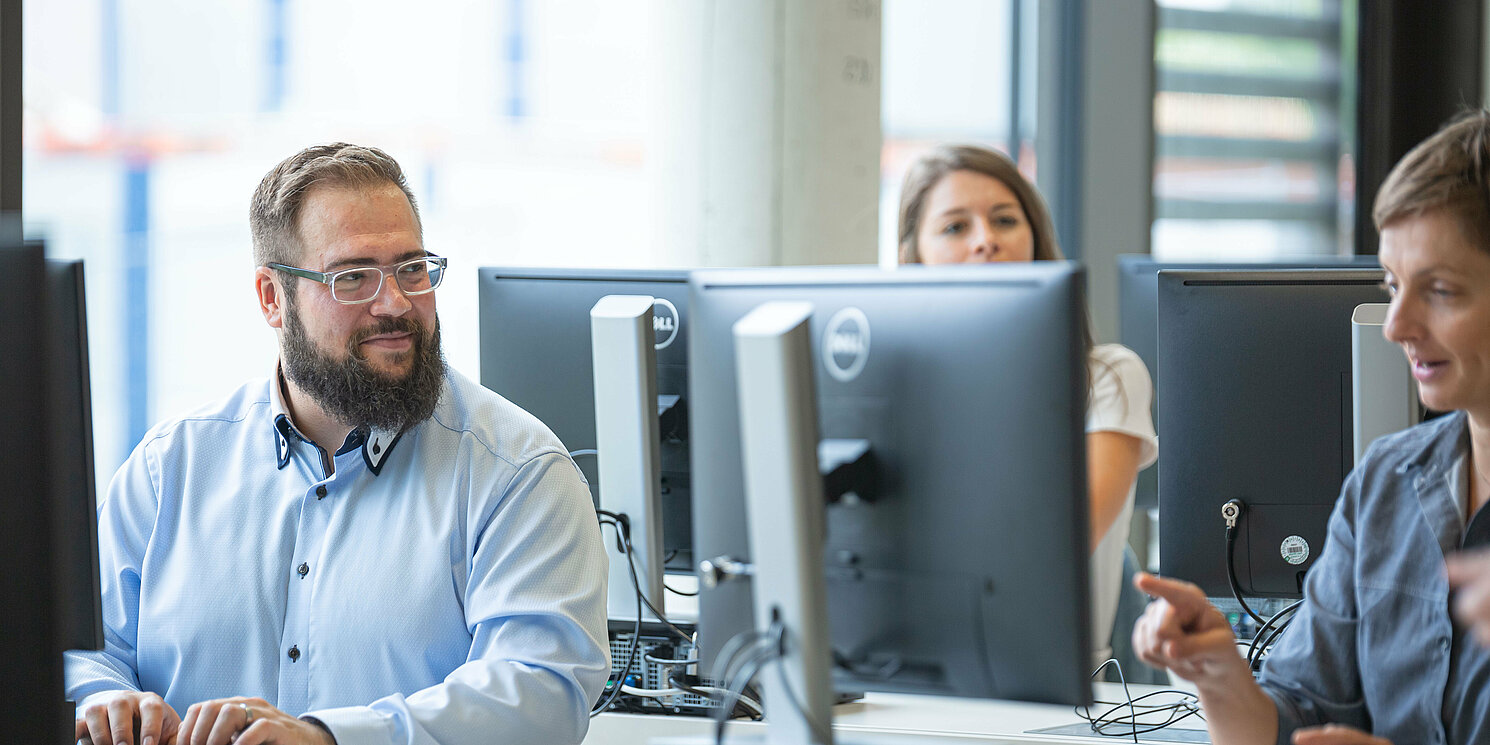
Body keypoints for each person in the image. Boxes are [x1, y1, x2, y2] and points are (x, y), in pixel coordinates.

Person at [65, 143, 610, 745]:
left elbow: (540, 695)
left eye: (411, 268)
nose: (396, 302)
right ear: (273, 298)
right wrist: (103, 699)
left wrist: (327, 738)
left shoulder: (517, 473)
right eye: (353, 277)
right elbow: (80, 649)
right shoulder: (171, 468)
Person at [1133, 109, 1490, 745]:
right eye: (1391, 284)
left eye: (1438, 290)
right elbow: (1299, 712)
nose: (1394, 324)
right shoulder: (1386, 482)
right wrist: (1217, 675)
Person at [897, 144, 1158, 667]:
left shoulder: (1105, 376)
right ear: (914, 257)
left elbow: (1053, 550)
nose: (985, 241)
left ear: (1035, 239)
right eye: (954, 228)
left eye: (1004, 220)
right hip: (915, 669)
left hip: (1053, 689)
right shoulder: (891, 383)